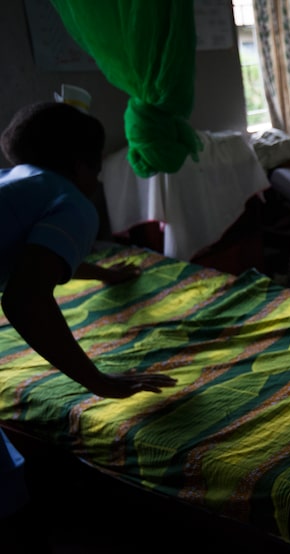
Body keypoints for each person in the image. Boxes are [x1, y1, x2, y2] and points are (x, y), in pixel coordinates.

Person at [0, 102, 178, 537]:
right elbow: (24, 297)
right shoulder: (74, 202)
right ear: (82, 167)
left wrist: (103, 272)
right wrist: (97, 381)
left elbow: (35, 255)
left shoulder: (16, 183)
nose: (96, 182)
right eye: (97, 172)